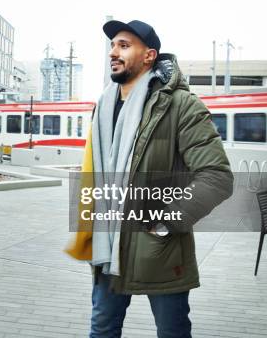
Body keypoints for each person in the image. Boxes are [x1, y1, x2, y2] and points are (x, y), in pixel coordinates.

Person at [65, 20, 234, 338]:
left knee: (172, 332)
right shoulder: (103, 106)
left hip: (159, 247)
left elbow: (217, 176)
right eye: (113, 45)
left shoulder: (180, 105)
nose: (114, 52)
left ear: (149, 55)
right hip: (108, 245)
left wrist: (166, 223)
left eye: (124, 45)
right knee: (102, 329)